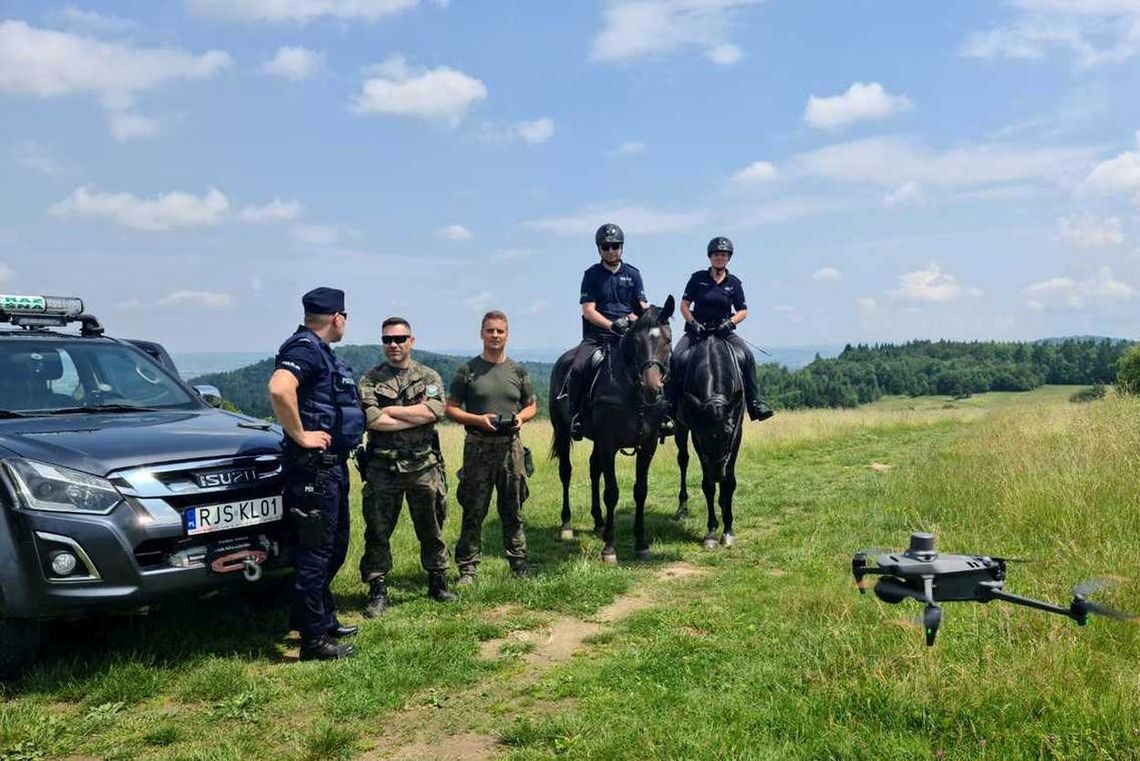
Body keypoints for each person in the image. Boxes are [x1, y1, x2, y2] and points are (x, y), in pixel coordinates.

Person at [268, 287, 364, 662]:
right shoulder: (304, 349)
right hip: (314, 471)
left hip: (330, 468)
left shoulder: (320, 352)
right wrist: (300, 434)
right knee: (315, 553)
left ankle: (321, 619)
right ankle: (312, 641)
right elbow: (279, 388)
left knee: (334, 546)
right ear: (337, 317)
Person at [357, 317, 455, 616]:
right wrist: (414, 413)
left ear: (411, 340)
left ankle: (437, 580)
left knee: (432, 527)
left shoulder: (428, 376)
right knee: (377, 530)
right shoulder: (370, 380)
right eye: (388, 339)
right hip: (383, 467)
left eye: (400, 338)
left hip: (424, 464)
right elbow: (372, 419)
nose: (394, 345)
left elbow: (434, 411)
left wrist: (392, 410)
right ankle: (377, 589)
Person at [445, 310, 538, 584]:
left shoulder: (518, 371)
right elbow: (450, 409)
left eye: (500, 331)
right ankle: (468, 569)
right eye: (490, 330)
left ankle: (518, 563)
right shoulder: (468, 371)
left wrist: (520, 417)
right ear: (481, 334)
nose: (495, 335)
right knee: (474, 509)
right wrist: (478, 420)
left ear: (507, 334)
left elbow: (531, 404)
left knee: (513, 508)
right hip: (477, 447)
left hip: (511, 448)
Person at [670, 237, 773, 422]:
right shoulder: (697, 278)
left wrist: (730, 323)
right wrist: (693, 322)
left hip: (723, 332)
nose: (720, 258)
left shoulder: (734, 283)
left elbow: (743, 311)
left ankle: (755, 403)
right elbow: (684, 304)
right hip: (698, 331)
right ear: (710, 257)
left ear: (728, 258)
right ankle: (670, 407)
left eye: (723, 255)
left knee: (748, 356)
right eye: (717, 254)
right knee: (676, 357)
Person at [566, 222, 649, 438]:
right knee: (577, 368)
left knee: (654, 363)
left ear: (621, 247)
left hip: (628, 336)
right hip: (598, 337)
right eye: (606, 247)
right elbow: (588, 310)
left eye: (615, 246)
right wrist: (611, 324)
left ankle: (662, 413)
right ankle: (576, 416)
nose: (610, 250)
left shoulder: (633, 274)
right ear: (599, 249)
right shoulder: (591, 275)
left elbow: (642, 307)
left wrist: (629, 319)